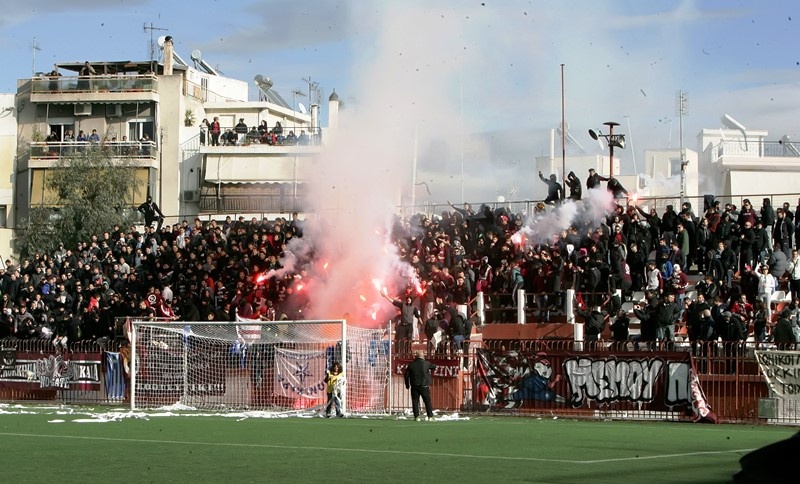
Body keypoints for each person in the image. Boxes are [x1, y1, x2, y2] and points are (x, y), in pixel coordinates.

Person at [404, 350, 436, 421]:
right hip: (424, 385)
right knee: (427, 401)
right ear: (423, 356)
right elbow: (433, 366)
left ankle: (416, 416)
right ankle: (430, 416)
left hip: (414, 385)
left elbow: (406, 375)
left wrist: (407, 384)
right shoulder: (426, 363)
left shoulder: (411, 364)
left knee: (415, 401)